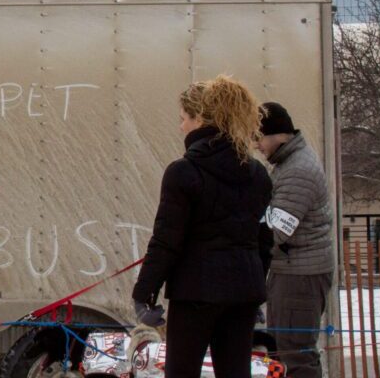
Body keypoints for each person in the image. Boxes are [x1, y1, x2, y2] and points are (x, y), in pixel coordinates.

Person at [132, 75, 273, 378]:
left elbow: (167, 241)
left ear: (200, 120)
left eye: (183, 119)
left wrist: (144, 292)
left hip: (195, 291)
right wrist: (256, 288)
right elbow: (264, 240)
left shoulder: (183, 172)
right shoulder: (259, 174)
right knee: (236, 373)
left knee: (181, 372)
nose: (181, 126)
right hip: (243, 292)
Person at [256, 102, 333, 378]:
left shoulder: (297, 170)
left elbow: (275, 232)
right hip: (293, 272)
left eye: (258, 137)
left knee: (294, 355)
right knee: (284, 351)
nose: (256, 145)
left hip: (299, 277)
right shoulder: (289, 163)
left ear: (277, 134)